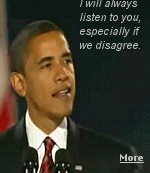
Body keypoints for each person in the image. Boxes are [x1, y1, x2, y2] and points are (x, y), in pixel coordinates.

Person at [0, 20, 143, 173]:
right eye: (47, 65)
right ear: (19, 84)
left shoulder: (118, 160)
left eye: (67, 61)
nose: (63, 74)